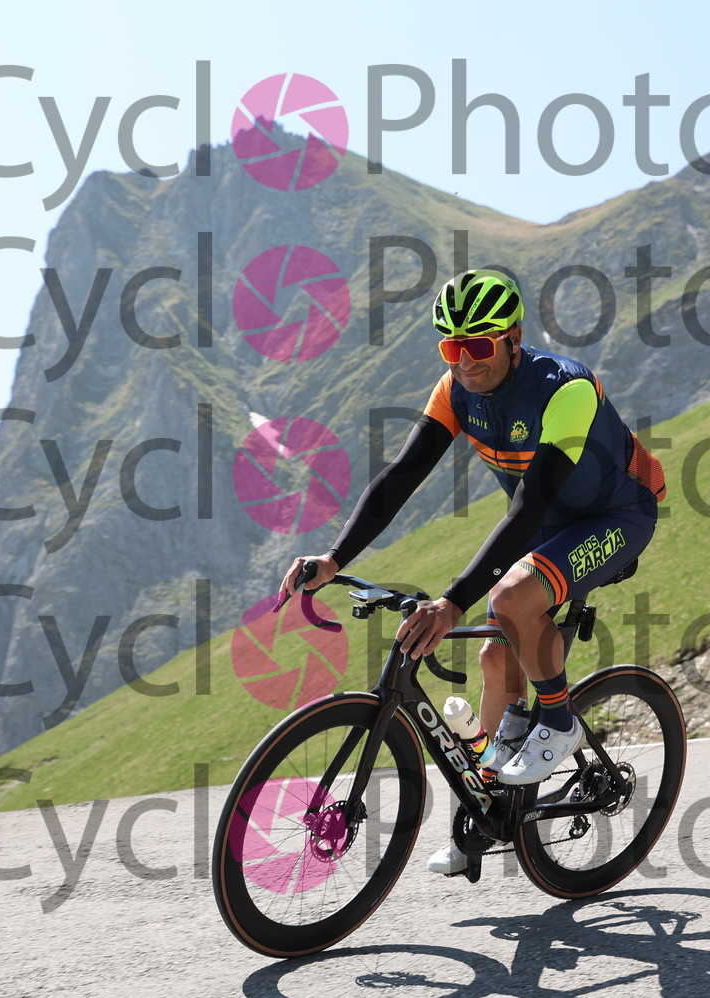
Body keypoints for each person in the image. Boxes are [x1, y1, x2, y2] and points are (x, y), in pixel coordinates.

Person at [277, 268, 666, 874]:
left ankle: (558, 721)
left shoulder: (566, 389)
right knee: (494, 660)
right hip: (550, 523)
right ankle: (487, 814)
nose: (465, 361)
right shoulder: (455, 389)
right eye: (451, 348)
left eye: (479, 346)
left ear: (513, 338)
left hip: (616, 515)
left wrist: (452, 601)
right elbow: (401, 477)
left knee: (510, 601)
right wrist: (334, 558)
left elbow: (528, 508)